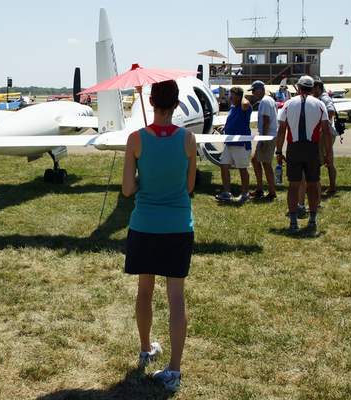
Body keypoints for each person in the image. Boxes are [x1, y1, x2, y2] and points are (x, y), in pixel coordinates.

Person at [122, 80, 197, 393]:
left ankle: (145, 349)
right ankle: (175, 371)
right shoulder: (189, 138)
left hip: (146, 225)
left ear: (151, 102)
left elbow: (128, 189)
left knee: (144, 291)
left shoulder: (135, 139)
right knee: (176, 298)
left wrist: (142, 177)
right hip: (178, 226)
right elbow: (189, 186)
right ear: (176, 105)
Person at [276, 75, 332, 231]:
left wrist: (279, 151)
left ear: (298, 88)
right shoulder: (320, 104)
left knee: (293, 185)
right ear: (313, 88)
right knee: (313, 184)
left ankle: (293, 222)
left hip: (294, 147)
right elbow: (326, 130)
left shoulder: (288, 104)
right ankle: (312, 219)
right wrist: (328, 153)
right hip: (312, 148)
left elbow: (281, 129)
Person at [215, 86, 253, 202]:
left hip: (241, 144)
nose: (229, 99)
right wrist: (225, 127)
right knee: (224, 165)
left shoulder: (245, 107)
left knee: (242, 168)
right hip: (229, 142)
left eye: (231, 97)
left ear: (239, 97)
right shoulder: (233, 107)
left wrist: (243, 97)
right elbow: (232, 119)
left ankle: (245, 193)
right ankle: (227, 192)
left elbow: (246, 104)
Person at [249, 80, 278, 200]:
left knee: (267, 165)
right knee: (256, 161)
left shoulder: (265, 102)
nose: (254, 93)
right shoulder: (269, 100)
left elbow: (266, 121)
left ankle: (272, 192)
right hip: (267, 135)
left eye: (254, 90)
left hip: (267, 136)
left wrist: (264, 140)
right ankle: (260, 189)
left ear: (260, 89)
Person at [313, 81, 338, 194]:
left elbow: (331, 110)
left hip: (325, 134)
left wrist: (324, 127)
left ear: (318, 87)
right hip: (326, 133)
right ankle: (331, 186)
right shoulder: (321, 98)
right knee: (328, 159)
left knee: (321, 159)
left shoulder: (324, 98)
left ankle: (316, 185)